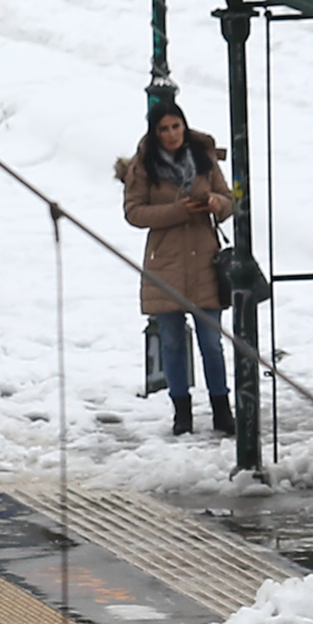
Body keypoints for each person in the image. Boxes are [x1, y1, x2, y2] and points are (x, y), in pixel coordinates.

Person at [120, 101, 234, 437]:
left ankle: (221, 409)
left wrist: (216, 203)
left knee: (211, 342)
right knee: (171, 341)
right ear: (154, 133)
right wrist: (178, 210)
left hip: (204, 261)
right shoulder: (143, 166)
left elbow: (230, 200)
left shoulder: (203, 156)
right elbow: (134, 212)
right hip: (165, 263)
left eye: (176, 127)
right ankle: (181, 412)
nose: (172, 135)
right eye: (164, 129)